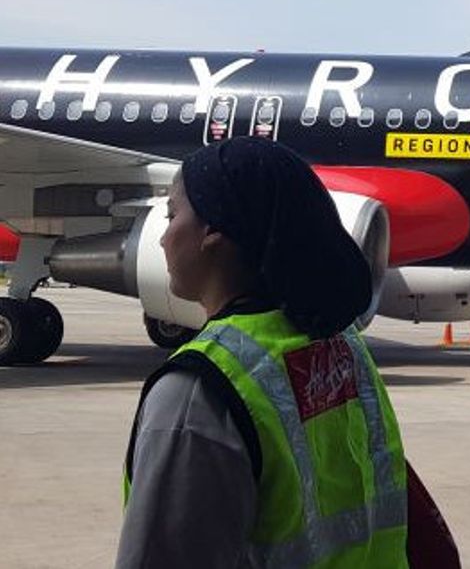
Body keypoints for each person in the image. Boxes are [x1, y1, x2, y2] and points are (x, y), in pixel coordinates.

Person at [118, 137, 415, 567]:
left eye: (172, 215)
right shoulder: (341, 343)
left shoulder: (200, 391)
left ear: (213, 231)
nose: (164, 239)